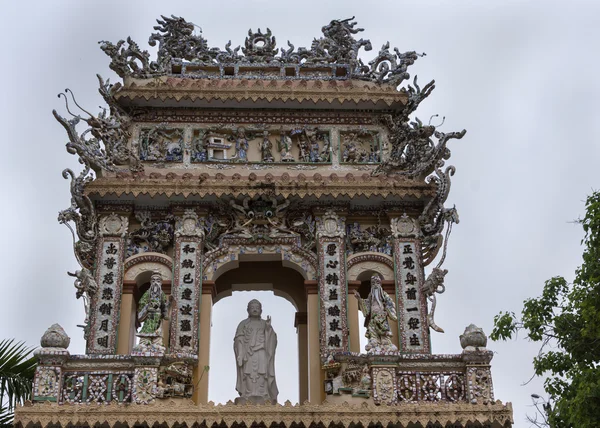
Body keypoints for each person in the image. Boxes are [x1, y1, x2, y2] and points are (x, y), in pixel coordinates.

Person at [233, 299, 279, 404]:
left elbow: (272, 340)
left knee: (262, 373)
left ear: (261, 310)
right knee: (248, 373)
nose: (255, 310)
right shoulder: (243, 324)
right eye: (252, 308)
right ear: (247, 310)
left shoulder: (265, 324)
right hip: (248, 354)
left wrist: (268, 330)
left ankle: (263, 394)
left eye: (257, 308)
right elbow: (238, 339)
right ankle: (247, 393)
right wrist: (240, 353)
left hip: (261, 352)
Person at [354, 274, 398, 353]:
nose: (375, 285)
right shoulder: (371, 295)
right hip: (373, 318)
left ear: (380, 284)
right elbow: (367, 304)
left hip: (382, 317)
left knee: (384, 333)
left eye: (377, 283)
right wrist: (359, 298)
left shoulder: (384, 295)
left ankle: (386, 344)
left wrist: (388, 312)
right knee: (372, 331)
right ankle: (374, 343)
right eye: (373, 283)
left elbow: (390, 303)